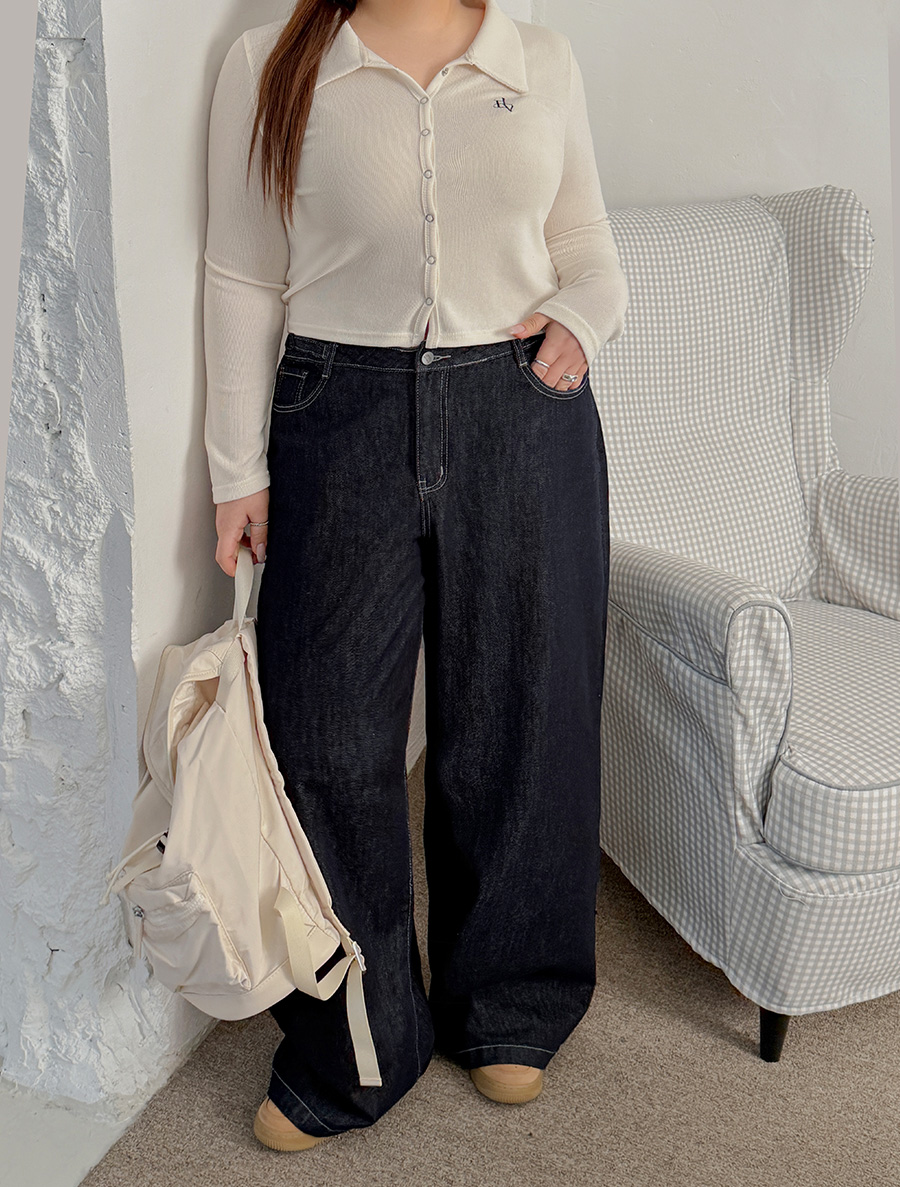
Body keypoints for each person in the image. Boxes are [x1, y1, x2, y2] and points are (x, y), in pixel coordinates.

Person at [203, 0, 629, 1152]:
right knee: (325, 736)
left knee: (523, 719)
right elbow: (242, 273)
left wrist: (581, 319)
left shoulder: (540, 58)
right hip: (335, 412)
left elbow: (591, 248)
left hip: (522, 409)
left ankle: (512, 1003)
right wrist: (237, 468)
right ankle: (356, 1037)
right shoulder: (270, 62)